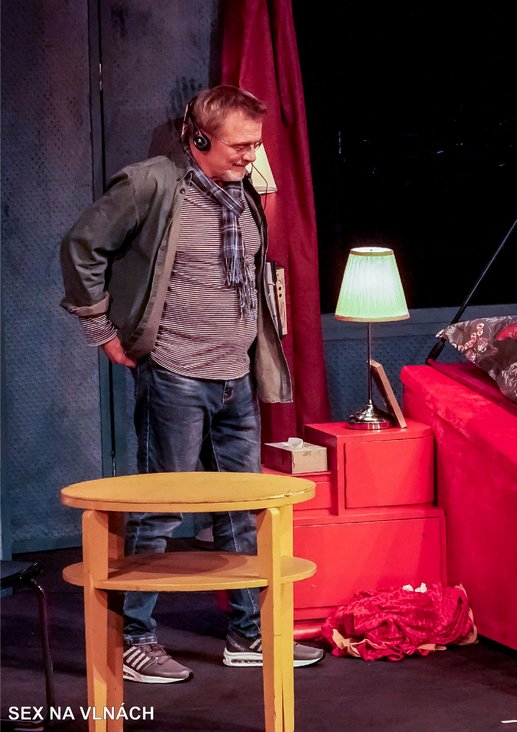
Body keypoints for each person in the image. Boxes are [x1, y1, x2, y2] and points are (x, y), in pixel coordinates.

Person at [60, 85, 323, 683]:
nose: (251, 155)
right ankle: (135, 640)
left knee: (242, 506)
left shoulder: (243, 189)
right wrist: (102, 330)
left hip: (235, 375)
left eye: (256, 144)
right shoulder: (153, 184)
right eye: (239, 145)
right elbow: (81, 246)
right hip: (176, 372)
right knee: (160, 507)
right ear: (200, 139)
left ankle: (249, 633)